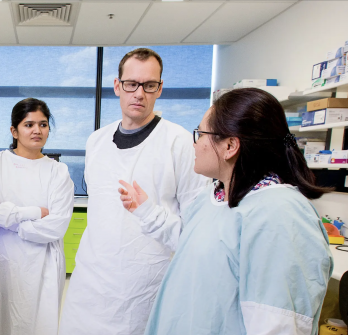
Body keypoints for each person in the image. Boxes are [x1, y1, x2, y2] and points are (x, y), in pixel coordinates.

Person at [127, 88, 333, 334]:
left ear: (230, 146)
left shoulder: (279, 214)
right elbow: (192, 246)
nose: (195, 143)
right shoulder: (212, 198)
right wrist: (146, 211)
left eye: (201, 134)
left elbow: (278, 323)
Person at [59, 48, 210, 334]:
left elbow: (195, 232)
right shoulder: (96, 141)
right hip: (90, 284)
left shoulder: (178, 143)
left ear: (159, 89)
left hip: (144, 288)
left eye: (149, 85)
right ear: (117, 86)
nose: (139, 93)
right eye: (131, 84)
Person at [0, 98, 74, 335]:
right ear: (14, 130)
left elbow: (55, 227)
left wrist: (5, 215)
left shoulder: (58, 171)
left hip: (43, 264)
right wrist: (33, 213)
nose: (37, 130)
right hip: (0, 258)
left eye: (43, 124)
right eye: (29, 124)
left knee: (37, 324)